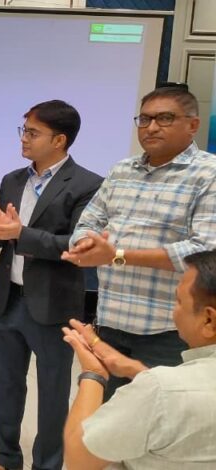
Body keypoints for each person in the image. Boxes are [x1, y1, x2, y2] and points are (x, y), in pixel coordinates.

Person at [63, 87, 216, 399]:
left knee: (162, 421)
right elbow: (87, 223)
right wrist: (86, 246)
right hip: (110, 322)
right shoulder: (122, 170)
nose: (151, 127)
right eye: (144, 119)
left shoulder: (209, 173)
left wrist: (118, 255)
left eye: (165, 118)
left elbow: (204, 251)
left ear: (193, 125)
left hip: (169, 332)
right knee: (108, 420)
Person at [0, 100, 103, 470]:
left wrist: (20, 233)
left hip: (54, 306)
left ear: (59, 140)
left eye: (33, 132)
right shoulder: (12, 180)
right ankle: (7, 457)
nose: (24, 138)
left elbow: (77, 244)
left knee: (52, 393)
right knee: (4, 386)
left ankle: (47, 464)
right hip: (7, 300)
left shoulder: (87, 184)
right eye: (24, 131)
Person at [62, 250, 216, 469]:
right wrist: (137, 370)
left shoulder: (160, 390)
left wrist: (93, 374)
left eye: (179, 301)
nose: (174, 311)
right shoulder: (168, 388)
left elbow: (79, 458)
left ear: (209, 320)